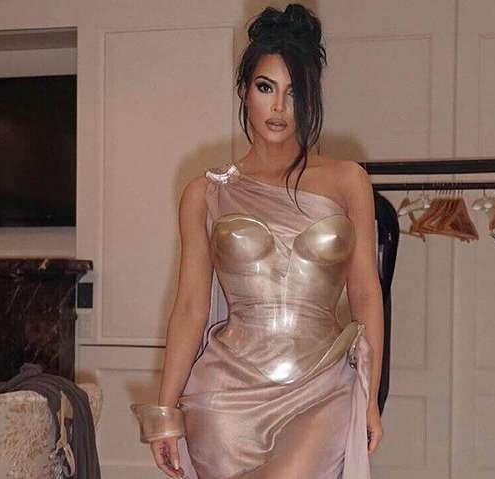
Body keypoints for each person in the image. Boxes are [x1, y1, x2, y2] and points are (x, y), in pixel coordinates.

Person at [131, 4, 384, 478]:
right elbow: (190, 308)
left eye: (294, 91)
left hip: (323, 387)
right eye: (266, 87)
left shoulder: (349, 181)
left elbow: (367, 295)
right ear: (244, 91)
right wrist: (165, 412)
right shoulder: (204, 193)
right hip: (225, 399)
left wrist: (370, 398)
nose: (279, 107)